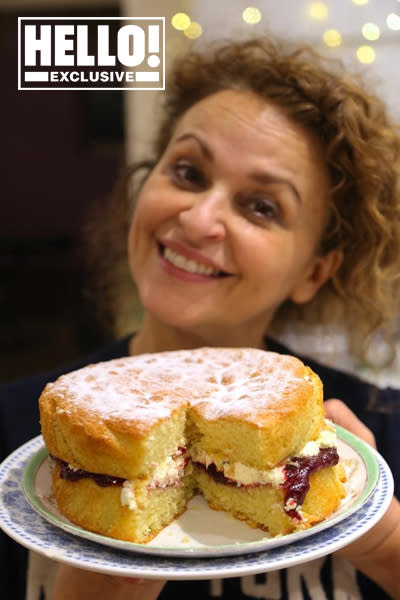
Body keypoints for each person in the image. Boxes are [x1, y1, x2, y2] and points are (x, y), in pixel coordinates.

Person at [1, 36, 400, 600]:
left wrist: (385, 546)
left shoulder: (378, 432)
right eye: (187, 172)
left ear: (316, 271)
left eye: (261, 206)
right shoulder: (19, 435)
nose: (199, 218)